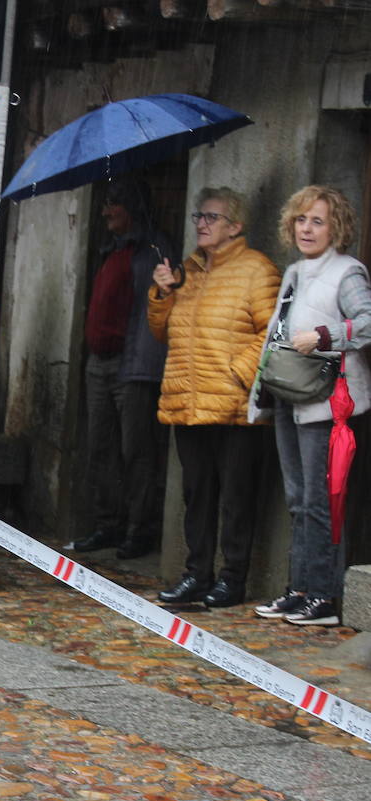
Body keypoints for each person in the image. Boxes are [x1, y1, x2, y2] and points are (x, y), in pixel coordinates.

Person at [149, 186, 279, 608]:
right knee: (197, 494)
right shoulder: (187, 269)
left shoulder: (257, 269)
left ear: (235, 227)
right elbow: (161, 333)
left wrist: (239, 374)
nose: (201, 224)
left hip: (234, 404)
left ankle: (233, 579)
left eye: (211, 217)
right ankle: (197, 575)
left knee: (237, 497)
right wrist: (163, 293)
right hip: (188, 403)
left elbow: (273, 331)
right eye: (198, 217)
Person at [250, 186, 371, 627]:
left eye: (317, 221)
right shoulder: (296, 271)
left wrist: (324, 336)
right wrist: (258, 396)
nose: (307, 228)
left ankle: (324, 596)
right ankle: (299, 589)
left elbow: (368, 323)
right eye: (301, 219)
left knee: (321, 502)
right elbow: (275, 336)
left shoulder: (347, 271)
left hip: (327, 404)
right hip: (289, 396)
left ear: (335, 227)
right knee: (298, 500)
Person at [67, 178, 173, 560]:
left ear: (131, 208)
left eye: (114, 204)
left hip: (133, 366)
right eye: (106, 204)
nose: (106, 211)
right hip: (100, 364)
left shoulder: (152, 250)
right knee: (102, 448)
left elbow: (155, 312)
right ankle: (107, 524)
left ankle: (139, 530)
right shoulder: (112, 249)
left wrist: (144, 367)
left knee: (136, 452)